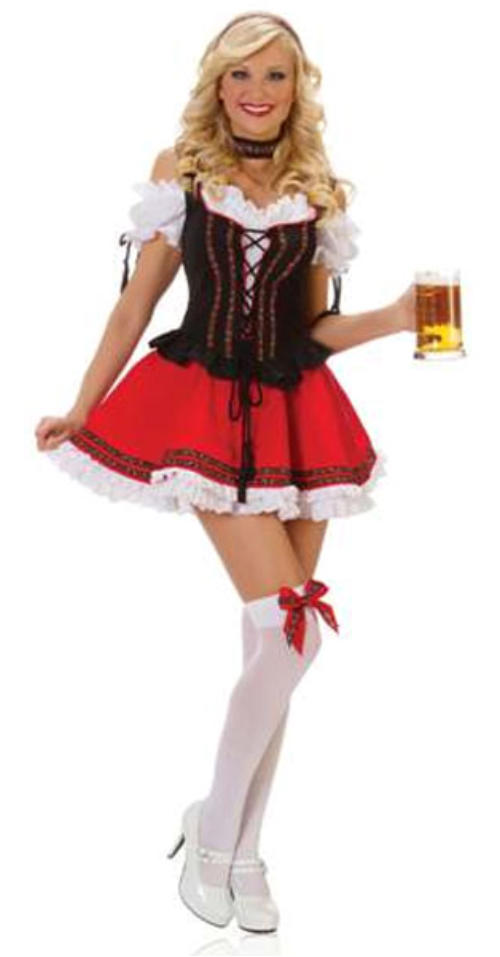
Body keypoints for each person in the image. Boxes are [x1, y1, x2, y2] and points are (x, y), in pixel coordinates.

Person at [35, 11, 416, 934]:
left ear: (297, 88)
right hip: (205, 407)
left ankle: (245, 848)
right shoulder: (183, 172)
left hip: (297, 414)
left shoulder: (317, 189)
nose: (256, 91)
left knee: (273, 647)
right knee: (293, 632)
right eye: (241, 74)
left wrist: (397, 317)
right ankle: (212, 827)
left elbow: (311, 330)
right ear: (216, 81)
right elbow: (136, 306)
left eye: (275, 75)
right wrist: (83, 405)